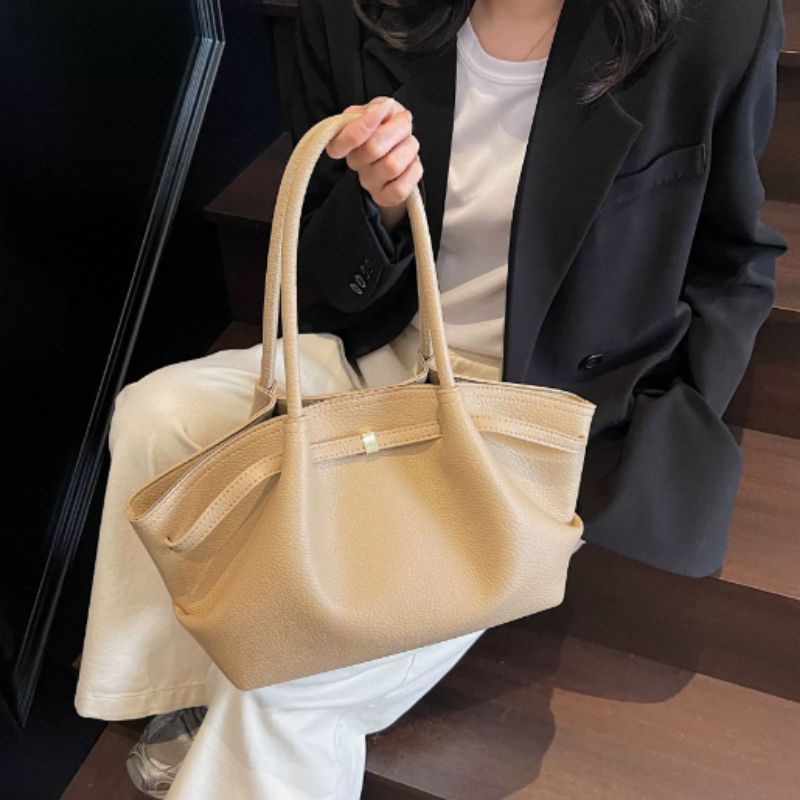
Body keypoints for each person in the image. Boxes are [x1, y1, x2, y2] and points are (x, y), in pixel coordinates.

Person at [74, 0, 787, 797]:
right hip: (380, 352)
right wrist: (376, 204)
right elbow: (318, 261)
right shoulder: (354, 16)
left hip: (524, 416)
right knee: (154, 415)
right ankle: (178, 692)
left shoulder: (716, 27)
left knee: (291, 676)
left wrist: (665, 426)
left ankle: (238, 705)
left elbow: (733, 259)